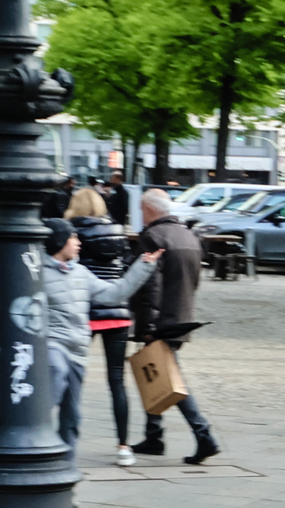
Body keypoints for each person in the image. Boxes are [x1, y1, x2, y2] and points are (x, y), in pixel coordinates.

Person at [41, 217, 160, 458]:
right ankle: (33, 432)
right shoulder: (38, 274)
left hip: (77, 351)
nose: (78, 243)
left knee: (72, 415)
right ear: (59, 241)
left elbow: (114, 294)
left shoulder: (81, 273)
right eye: (73, 238)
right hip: (53, 345)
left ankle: (65, 463)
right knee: (56, 370)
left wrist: (143, 266)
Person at [129, 189, 219, 464]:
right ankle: (153, 435)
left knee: (169, 379)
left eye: (142, 210)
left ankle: (203, 434)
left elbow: (149, 285)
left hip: (161, 319)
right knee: (155, 373)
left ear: (149, 210)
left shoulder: (153, 237)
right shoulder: (187, 235)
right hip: (181, 314)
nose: (141, 215)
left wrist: (147, 324)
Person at [75, 207, 144, 466]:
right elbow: (126, 266)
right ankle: (124, 446)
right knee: (117, 380)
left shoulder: (76, 231)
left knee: (74, 376)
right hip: (118, 313)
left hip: (89, 311)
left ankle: (65, 438)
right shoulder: (118, 233)